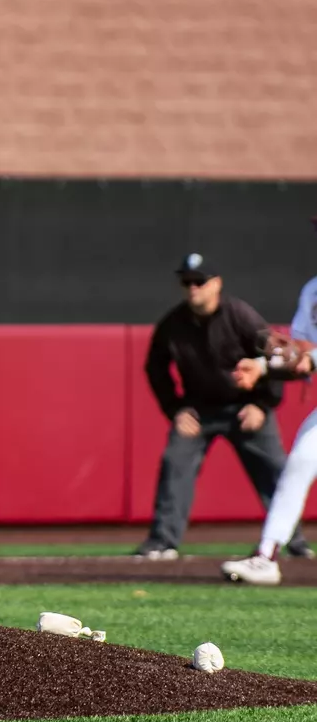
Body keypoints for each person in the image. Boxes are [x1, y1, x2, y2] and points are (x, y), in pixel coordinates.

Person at [133, 253, 304, 560]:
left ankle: (293, 542)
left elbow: (276, 359)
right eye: (187, 282)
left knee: (276, 472)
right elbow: (155, 368)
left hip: (245, 408)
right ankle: (163, 541)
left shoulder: (240, 315)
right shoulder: (174, 324)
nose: (193, 288)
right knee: (176, 463)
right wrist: (175, 409)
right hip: (199, 411)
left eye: (199, 281)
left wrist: (262, 405)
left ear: (216, 284)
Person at [222, 234, 317, 585]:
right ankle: (266, 555)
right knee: (299, 463)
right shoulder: (313, 290)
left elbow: (310, 357)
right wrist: (261, 366)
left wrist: (309, 358)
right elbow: (298, 353)